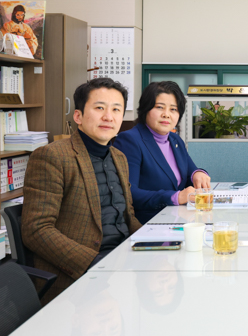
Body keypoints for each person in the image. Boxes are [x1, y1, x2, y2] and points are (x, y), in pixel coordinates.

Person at [22, 78, 142, 304]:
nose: (109, 117)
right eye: (100, 108)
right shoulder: (53, 156)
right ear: (78, 116)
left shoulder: (119, 158)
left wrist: (154, 240)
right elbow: (36, 230)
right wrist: (94, 263)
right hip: (80, 274)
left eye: (116, 109)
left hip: (123, 264)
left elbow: (127, 217)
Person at [113, 81, 210, 224]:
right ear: (145, 109)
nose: (166, 115)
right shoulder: (130, 140)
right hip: (147, 223)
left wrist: (198, 173)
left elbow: (191, 172)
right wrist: (174, 197)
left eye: (173, 109)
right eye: (159, 107)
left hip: (177, 220)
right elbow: (128, 193)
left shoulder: (175, 140)